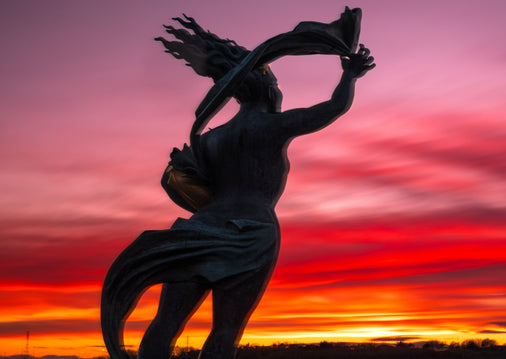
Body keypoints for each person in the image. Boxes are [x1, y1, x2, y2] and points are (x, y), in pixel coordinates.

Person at [101, 9, 374, 359]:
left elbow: (195, 188)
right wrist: (350, 75)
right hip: (252, 233)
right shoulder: (271, 127)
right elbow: (334, 107)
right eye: (274, 82)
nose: (278, 89)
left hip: (201, 229)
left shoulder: (210, 139)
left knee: (165, 324)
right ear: (261, 86)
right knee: (225, 331)